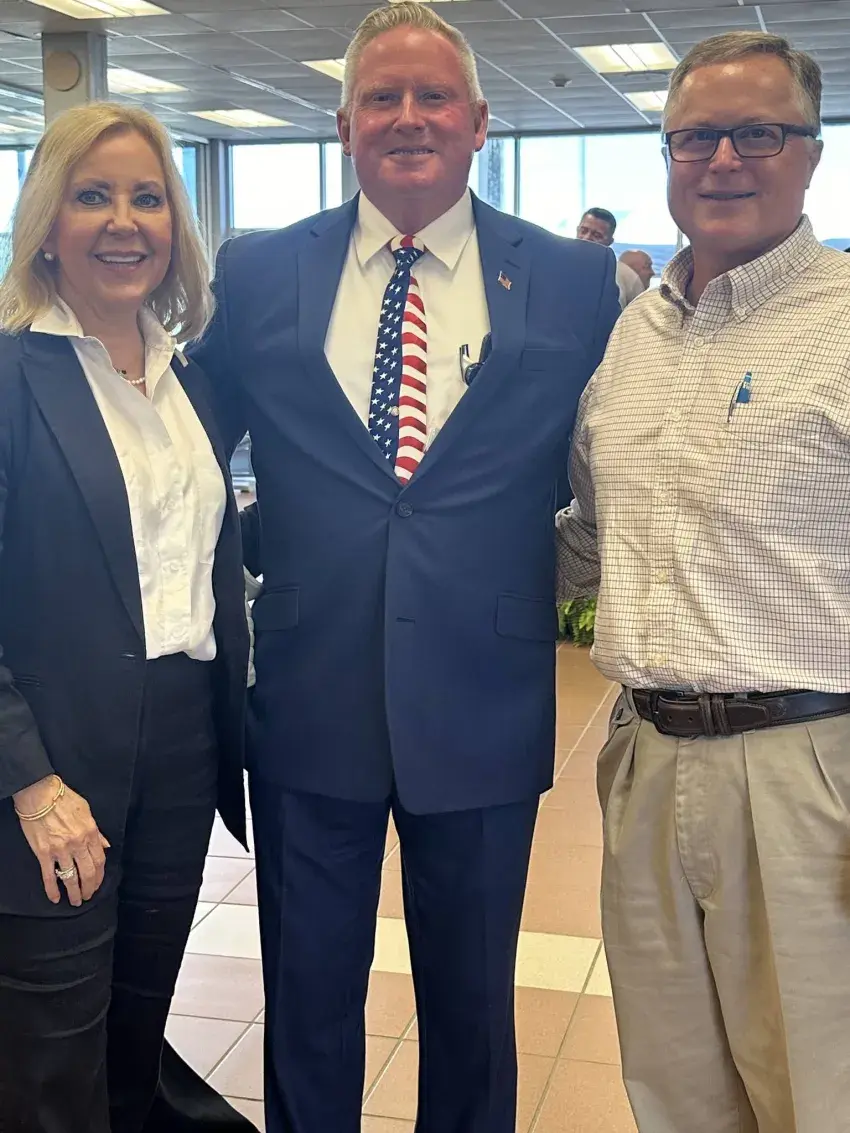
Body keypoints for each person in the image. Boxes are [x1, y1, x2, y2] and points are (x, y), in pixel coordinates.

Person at [191, 3, 619, 1130]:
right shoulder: (260, 270)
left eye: (434, 97)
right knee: (307, 1004)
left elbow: (622, 454)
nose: (408, 117)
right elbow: (177, 439)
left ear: (479, 122)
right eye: (381, 97)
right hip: (308, 698)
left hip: (484, 700)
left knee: (474, 1012)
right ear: (344, 125)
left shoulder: (572, 283)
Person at [557, 30, 850, 1133]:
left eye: (758, 133)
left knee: (819, 1091)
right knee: (676, 1091)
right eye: (694, 137)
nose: (723, 159)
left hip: (810, 772)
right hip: (644, 759)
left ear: (811, 152)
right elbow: (588, 538)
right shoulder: (632, 335)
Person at [0, 102, 253, 1133]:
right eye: (91, 195)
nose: (123, 221)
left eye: (147, 197)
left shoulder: (190, 378)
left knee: (136, 1026)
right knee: (49, 1048)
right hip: (51, 759)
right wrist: (30, 781)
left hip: (183, 743)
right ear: (46, 225)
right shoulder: (11, 374)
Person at [576, 206, 643, 307]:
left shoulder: (628, 278)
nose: (587, 238)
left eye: (597, 235)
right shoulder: (558, 267)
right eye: (583, 231)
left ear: (610, 242)